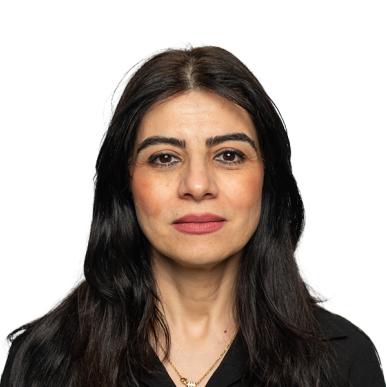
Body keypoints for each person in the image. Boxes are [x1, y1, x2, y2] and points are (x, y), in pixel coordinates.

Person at [1, 45, 384, 387]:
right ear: (126, 182)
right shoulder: (46, 361)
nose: (197, 185)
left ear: (268, 178)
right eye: (164, 158)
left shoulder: (343, 362)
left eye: (229, 155)